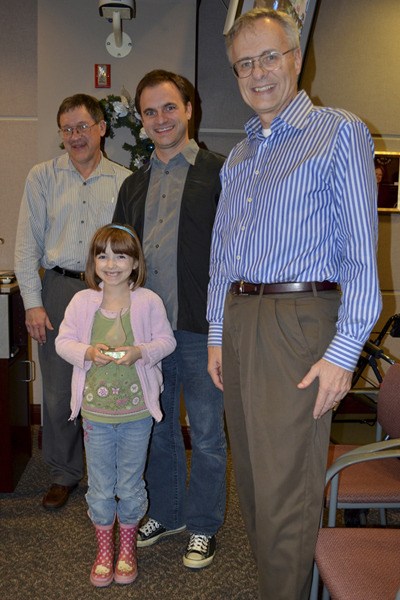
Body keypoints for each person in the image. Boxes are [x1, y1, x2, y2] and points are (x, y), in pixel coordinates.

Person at [207, 9, 381, 600]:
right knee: (254, 481)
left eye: (269, 57)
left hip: (299, 322)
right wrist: (214, 335)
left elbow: (361, 256)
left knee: (286, 488)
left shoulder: (338, 131)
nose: (257, 73)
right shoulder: (240, 157)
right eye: (243, 64)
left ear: (297, 57)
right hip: (240, 318)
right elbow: (221, 256)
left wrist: (343, 351)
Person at [113, 70, 227, 569]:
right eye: (150, 112)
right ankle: (168, 513)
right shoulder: (134, 184)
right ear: (142, 120)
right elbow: (118, 257)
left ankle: (203, 526)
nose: (160, 119)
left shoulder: (220, 173)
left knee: (205, 432)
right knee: (155, 428)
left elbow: (234, 253)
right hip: (147, 334)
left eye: (169, 108)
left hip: (201, 329)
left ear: (189, 109)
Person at [14, 94, 131, 510]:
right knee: (60, 391)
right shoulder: (42, 177)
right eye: (67, 129)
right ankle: (64, 473)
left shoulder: (124, 180)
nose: (75, 136)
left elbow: (133, 247)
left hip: (109, 291)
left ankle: (113, 475)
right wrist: (33, 302)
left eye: (83, 127)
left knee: (111, 384)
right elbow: (27, 245)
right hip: (58, 291)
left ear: (102, 128)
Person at [55, 223, 176, 587]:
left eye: (120, 255)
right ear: (93, 262)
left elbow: (166, 341)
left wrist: (141, 352)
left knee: (131, 482)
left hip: (137, 414)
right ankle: (105, 551)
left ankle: (127, 550)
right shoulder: (82, 302)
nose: (111, 263)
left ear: (135, 261)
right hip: (96, 415)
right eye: (102, 255)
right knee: (101, 486)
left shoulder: (148, 301)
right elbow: (64, 342)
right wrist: (88, 353)